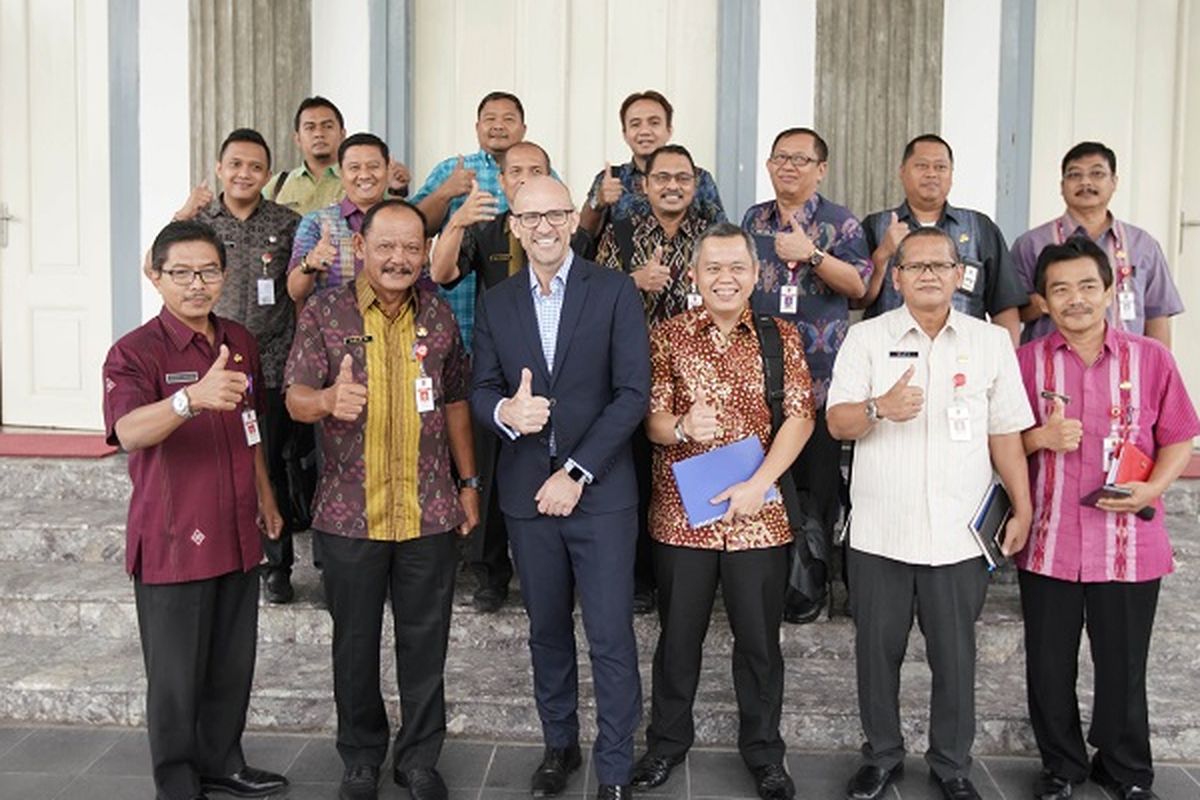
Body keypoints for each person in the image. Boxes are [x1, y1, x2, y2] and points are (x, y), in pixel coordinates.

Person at [826, 227, 1034, 800]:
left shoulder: (990, 342)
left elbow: (1006, 434)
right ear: (896, 278)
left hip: (959, 535)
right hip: (880, 533)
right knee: (877, 655)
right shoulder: (866, 338)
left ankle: (952, 765)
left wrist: (1023, 506)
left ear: (959, 275)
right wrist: (879, 407)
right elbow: (837, 422)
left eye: (940, 266)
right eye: (915, 267)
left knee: (955, 659)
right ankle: (881, 756)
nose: (928, 276)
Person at [284, 200, 480, 800]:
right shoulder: (325, 311)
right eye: (387, 246)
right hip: (350, 513)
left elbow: (455, 401)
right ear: (361, 248)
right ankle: (361, 756)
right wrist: (326, 402)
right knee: (354, 643)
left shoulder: (438, 315)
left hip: (428, 509)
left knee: (426, 642)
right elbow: (294, 395)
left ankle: (418, 759)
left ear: (425, 253)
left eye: (412, 247)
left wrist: (469, 483)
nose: (399, 258)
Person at [471, 176, 650, 800]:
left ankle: (615, 768)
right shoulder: (497, 302)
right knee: (546, 631)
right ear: (514, 227)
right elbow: (481, 389)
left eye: (555, 214)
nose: (544, 226)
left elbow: (632, 394)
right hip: (527, 495)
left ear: (573, 219)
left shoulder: (614, 290)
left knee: (609, 635)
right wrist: (505, 412)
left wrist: (576, 472)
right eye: (530, 217)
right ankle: (559, 746)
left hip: (599, 496)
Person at [102, 219, 288, 800]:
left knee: (232, 663)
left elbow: (250, 423)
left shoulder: (239, 341)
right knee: (176, 675)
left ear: (224, 275)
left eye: (208, 271)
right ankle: (178, 780)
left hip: (236, 524)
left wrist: (265, 494)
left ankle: (222, 761)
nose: (196, 284)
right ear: (156, 277)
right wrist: (188, 399)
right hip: (173, 533)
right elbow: (128, 432)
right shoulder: (134, 352)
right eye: (181, 272)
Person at [632, 223, 814, 800]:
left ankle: (764, 753)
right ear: (694, 275)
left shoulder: (782, 337)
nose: (725, 278)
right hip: (682, 517)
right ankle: (666, 745)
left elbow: (801, 417)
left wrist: (760, 484)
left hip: (758, 516)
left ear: (756, 275)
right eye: (713, 267)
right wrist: (684, 426)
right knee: (677, 641)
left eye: (737, 267)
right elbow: (651, 421)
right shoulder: (667, 336)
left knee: (759, 644)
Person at [1015, 237, 1199, 800]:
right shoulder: (1025, 362)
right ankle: (1062, 767)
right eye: (1060, 289)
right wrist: (1039, 437)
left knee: (1123, 667)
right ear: (1043, 300)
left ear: (1111, 290)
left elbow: (1180, 434)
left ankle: (1125, 770)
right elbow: (996, 441)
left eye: (1087, 286)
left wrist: (1154, 487)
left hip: (1129, 543)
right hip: (1048, 541)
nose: (1075, 299)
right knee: (1049, 667)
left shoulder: (1151, 358)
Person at [430, 140, 589, 614]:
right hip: (500, 370)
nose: (524, 178)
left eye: (536, 170)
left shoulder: (569, 231)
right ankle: (490, 573)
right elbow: (441, 273)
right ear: (501, 181)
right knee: (493, 470)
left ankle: (563, 569)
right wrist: (457, 221)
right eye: (515, 171)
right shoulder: (486, 228)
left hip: (560, 367)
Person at [742, 126, 873, 623]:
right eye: (781, 158)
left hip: (820, 383)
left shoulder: (840, 222)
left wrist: (813, 256)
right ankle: (773, 581)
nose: (788, 167)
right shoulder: (753, 219)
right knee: (767, 482)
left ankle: (813, 582)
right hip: (762, 378)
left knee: (817, 489)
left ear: (821, 169)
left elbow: (859, 288)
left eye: (800, 159)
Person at [172, 127, 305, 604]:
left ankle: (276, 565)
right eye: (235, 164)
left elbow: (301, 287)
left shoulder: (288, 223)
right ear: (219, 168)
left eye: (255, 167)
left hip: (271, 362)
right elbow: (156, 266)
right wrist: (182, 214)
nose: (244, 173)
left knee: (268, 463)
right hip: (211, 367)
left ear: (267, 174)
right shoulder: (199, 222)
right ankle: (219, 554)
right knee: (213, 462)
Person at [594, 143, 710, 614]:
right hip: (635, 377)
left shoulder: (712, 235)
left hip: (697, 377)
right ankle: (641, 578)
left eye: (682, 178)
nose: (672, 186)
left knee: (692, 475)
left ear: (695, 185)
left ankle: (690, 579)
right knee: (639, 479)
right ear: (644, 185)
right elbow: (593, 300)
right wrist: (633, 282)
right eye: (663, 178)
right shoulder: (620, 232)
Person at [1012, 141, 1185, 346]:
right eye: (1074, 175)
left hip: (1127, 363)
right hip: (1050, 362)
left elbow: (1157, 314)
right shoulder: (1031, 244)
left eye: (1097, 174)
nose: (1085, 182)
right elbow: (1014, 312)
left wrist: (1159, 363)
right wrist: (1055, 297)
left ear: (1114, 182)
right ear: (1062, 186)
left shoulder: (1142, 245)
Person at [859, 134, 1026, 345]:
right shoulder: (876, 226)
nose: (931, 174)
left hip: (965, 353)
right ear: (902, 172)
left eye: (940, 167)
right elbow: (858, 300)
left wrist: (1006, 356)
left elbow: (1004, 305)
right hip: (892, 351)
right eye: (922, 166)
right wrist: (883, 253)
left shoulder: (979, 227)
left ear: (951, 175)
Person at [412, 91, 531, 350]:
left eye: (508, 119)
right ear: (477, 127)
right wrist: (446, 192)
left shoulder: (540, 172)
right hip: (456, 303)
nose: (498, 126)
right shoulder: (450, 169)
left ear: (523, 129)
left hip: (519, 320)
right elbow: (415, 228)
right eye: (490, 119)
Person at [579, 89, 725, 237]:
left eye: (654, 123)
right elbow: (580, 236)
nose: (645, 131)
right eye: (635, 124)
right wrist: (598, 201)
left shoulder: (699, 178)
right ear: (625, 133)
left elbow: (722, 235)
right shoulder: (611, 179)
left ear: (669, 130)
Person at [287, 132, 394, 304]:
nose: (364, 175)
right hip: (333, 319)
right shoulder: (316, 222)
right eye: (354, 168)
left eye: (373, 166)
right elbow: (295, 292)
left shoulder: (404, 220)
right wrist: (310, 263)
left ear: (388, 170)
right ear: (341, 174)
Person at [265, 95, 410, 215]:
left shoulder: (364, 179)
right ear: (297, 138)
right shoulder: (278, 185)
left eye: (327, 126)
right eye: (310, 127)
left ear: (342, 134)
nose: (319, 134)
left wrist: (396, 189)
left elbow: (395, 217)